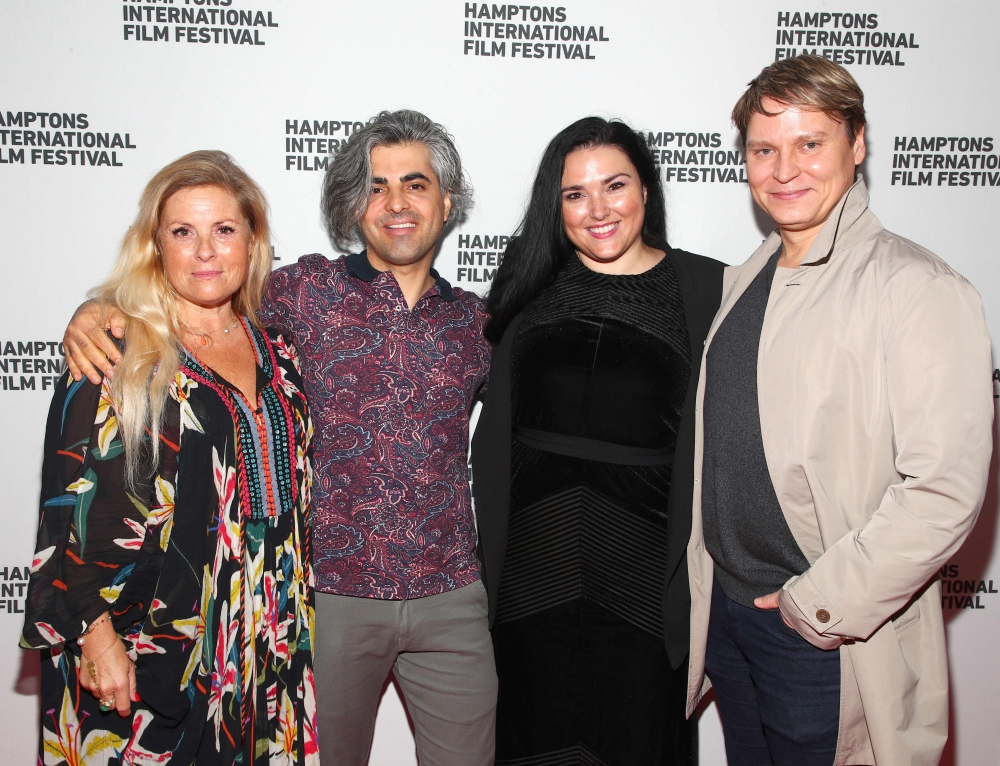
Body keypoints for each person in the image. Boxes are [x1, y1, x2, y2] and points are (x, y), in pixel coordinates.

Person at [61, 111, 496, 766]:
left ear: (447, 200)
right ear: (355, 203)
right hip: (326, 603)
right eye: (377, 186)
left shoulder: (477, 322)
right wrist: (100, 310)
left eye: (416, 183)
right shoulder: (299, 290)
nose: (397, 203)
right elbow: (194, 293)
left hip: (452, 600)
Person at [686, 55, 994, 766]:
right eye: (765, 150)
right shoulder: (748, 278)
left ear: (856, 146)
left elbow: (943, 490)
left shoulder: (917, 287)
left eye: (810, 144)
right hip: (733, 616)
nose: (784, 168)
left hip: (826, 634)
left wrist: (815, 607)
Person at [21, 151, 317, 764]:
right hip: (150, 640)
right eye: (183, 232)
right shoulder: (116, 353)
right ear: (156, 246)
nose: (205, 251)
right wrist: (93, 635)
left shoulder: (281, 350)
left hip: (266, 638)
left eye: (224, 230)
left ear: (253, 239)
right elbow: (65, 512)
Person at [472, 117, 724, 765]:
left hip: (647, 590)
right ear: (555, 208)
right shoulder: (527, 289)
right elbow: (492, 445)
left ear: (646, 189)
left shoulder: (709, 291)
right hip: (531, 588)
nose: (598, 210)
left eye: (615, 186)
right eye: (575, 194)